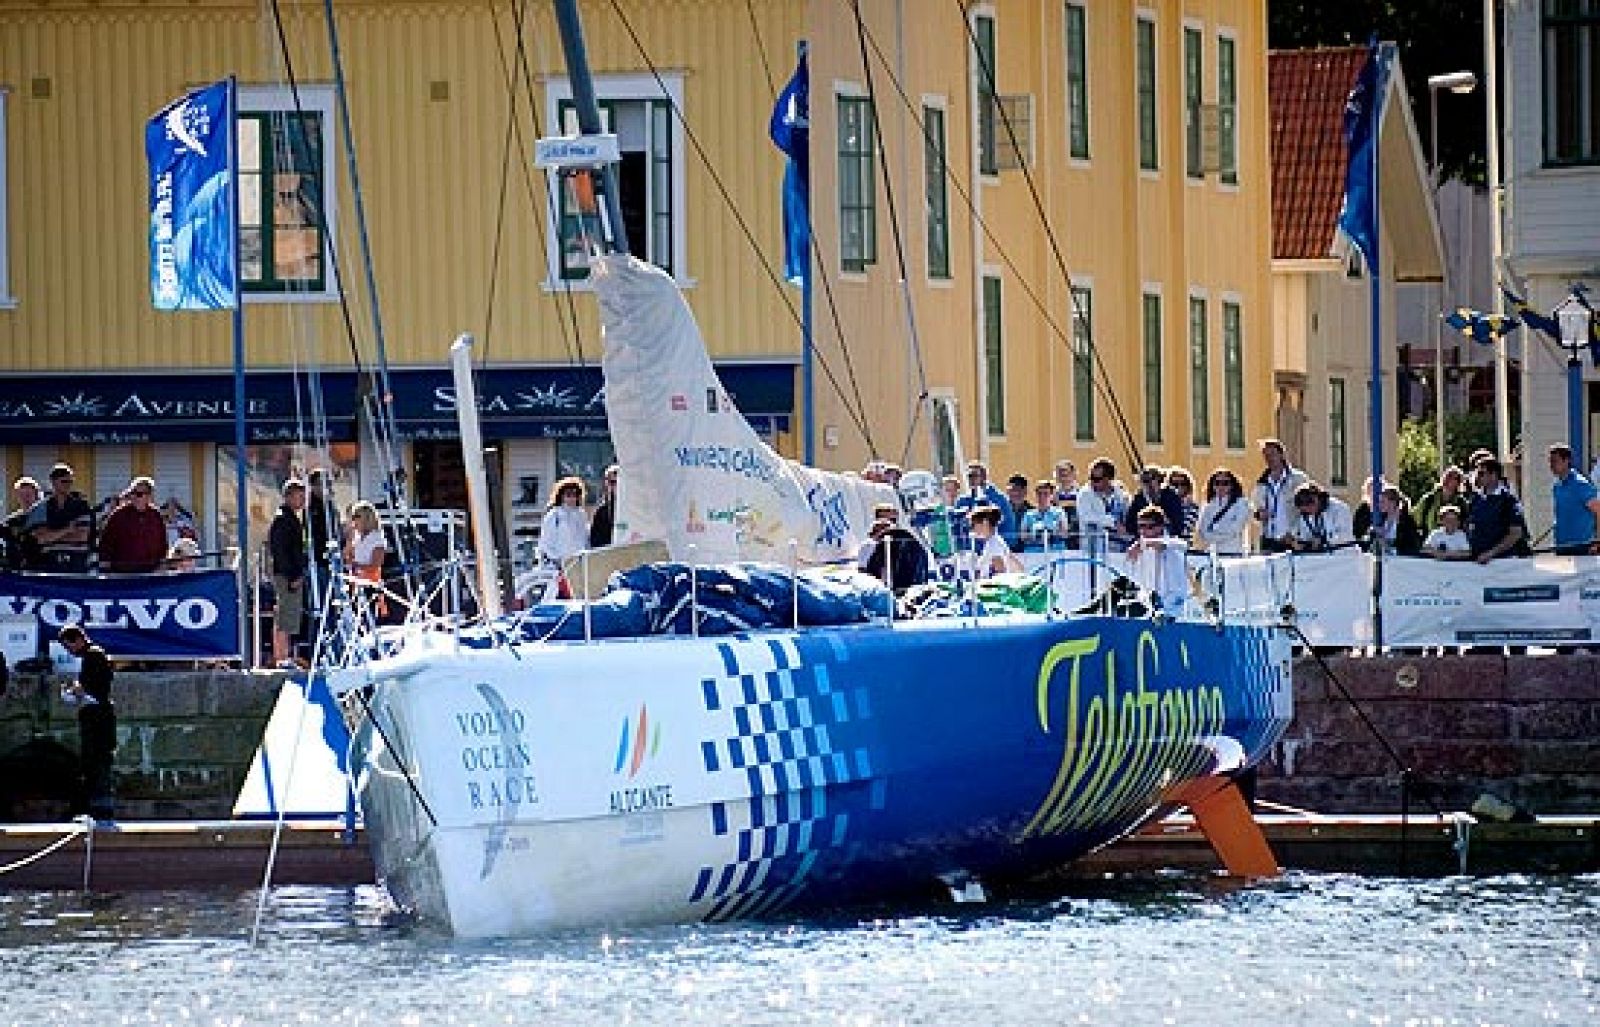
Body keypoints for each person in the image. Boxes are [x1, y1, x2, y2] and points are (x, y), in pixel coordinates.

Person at [57, 625, 116, 819]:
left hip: (98, 718)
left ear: (78, 640)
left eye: (69, 646)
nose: (69, 651)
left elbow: (95, 690)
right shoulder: (95, 656)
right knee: (96, 762)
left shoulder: (93, 656)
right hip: (98, 716)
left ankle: (98, 807)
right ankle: (95, 806)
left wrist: (76, 691)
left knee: (97, 762)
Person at [268, 478, 309, 668]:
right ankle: (281, 657)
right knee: (285, 616)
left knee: (286, 616)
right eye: (300, 496)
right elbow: (280, 551)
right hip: (287, 576)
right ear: (289, 496)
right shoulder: (283, 519)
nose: (303, 501)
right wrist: (292, 576)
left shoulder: (289, 517)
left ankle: (284, 656)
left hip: (289, 574)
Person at [31, 463, 95, 572]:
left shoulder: (82, 505)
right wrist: (68, 530)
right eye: (64, 481)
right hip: (51, 562)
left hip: (77, 561)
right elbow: (41, 539)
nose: (68, 485)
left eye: (70, 482)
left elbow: (82, 536)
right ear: (53, 482)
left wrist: (53, 536)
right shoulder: (41, 507)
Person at [97, 476, 168, 573]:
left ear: (149, 496)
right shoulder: (118, 515)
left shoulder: (156, 515)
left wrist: (162, 563)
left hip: (151, 570)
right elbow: (106, 542)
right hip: (123, 571)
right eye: (132, 493)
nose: (134, 497)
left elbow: (162, 542)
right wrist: (104, 565)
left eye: (139, 494)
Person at [1249, 439, 1310, 553]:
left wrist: (1294, 533)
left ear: (1282, 455)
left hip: (1291, 538)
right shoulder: (1262, 482)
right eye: (1266, 455)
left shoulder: (1298, 479)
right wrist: (1259, 513)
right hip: (1268, 538)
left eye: (1272, 454)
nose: (1269, 459)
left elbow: (1306, 509)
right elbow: (1254, 507)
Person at [1126, 508, 1190, 614]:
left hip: (1171, 610)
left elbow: (1179, 544)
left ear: (1160, 527)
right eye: (1141, 526)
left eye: (1149, 526)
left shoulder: (1174, 544)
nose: (1144, 531)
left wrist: (1141, 544)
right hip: (1148, 608)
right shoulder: (1141, 548)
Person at [1467, 458, 1528, 563]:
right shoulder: (1475, 498)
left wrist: (1491, 553)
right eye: (1477, 473)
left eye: (1481, 473)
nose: (1477, 477)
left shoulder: (1508, 500)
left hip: (1504, 561)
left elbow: (1516, 533)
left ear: (1493, 475)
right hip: (1478, 561)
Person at [861, 505, 929, 592]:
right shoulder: (869, 545)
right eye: (890, 519)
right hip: (882, 591)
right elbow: (865, 573)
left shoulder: (905, 542)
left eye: (894, 520)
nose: (893, 524)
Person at [1548, 444, 1600, 556]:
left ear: (1566, 461)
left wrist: (1597, 542)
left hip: (1582, 548)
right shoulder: (1557, 486)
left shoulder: (1580, 484)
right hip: (1561, 547)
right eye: (1550, 461)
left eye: (1554, 461)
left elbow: (1598, 511)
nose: (1551, 465)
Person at [345, 500, 390, 621]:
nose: (354, 520)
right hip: (356, 583)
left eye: (356, 517)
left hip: (371, 585)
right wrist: (349, 541)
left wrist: (357, 566)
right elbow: (347, 558)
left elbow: (376, 565)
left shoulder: (376, 538)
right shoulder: (357, 537)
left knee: (369, 619)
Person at [1192, 468, 1253, 555]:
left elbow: (1235, 529)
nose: (1221, 486)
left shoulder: (1242, 504)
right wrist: (1222, 530)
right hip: (1212, 554)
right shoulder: (1207, 506)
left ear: (1232, 485)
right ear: (1212, 486)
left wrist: (1214, 531)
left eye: (1225, 483)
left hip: (1234, 553)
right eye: (1217, 483)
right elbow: (1203, 532)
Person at [1076, 458, 1131, 553]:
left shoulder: (1121, 493)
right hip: (1095, 549)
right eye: (1091, 478)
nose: (1092, 482)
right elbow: (1087, 517)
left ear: (1109, 479)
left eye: (1096, 479)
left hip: (1121, 547)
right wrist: (1113, 522)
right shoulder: (1085, 494)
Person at [954, 461, 1015, 543]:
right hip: (968, 550)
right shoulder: (962, 501)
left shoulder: (999, 499)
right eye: (969, 476)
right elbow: (957, 527)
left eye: (974, 476)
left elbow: (1008, 527)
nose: (971, 479)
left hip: (992, 547)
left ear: (984, 477)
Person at [1286, 483, 1355, 553]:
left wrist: (1323, 540)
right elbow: (1305, 534)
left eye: (1311, 504)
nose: (1309, 510)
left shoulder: (1340, 509)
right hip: (1319, 557)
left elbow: (1345, 535)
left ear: (1320, 498)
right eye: (1304, 508)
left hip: (1343, 555)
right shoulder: (1305, 514)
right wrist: (1300, 543)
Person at [539, 475, 590, 567]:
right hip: (557, 565)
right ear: (561, 496)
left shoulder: (581, 514)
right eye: (568, 495)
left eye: (575, 495)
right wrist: (558, 561)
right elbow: (545, 543)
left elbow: (585, 540)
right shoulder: (554, 515)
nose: (572, 498)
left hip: (578, 564)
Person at [1123, 465, 1185, 540]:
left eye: (1151, 480)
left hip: (1167, 540)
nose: (1148, 484)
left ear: (1160, 480)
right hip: (1143, 540)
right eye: (1144, 481)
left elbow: (1178, 525)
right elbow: (1129, 524)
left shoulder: (1171, 497)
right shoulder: (1139, 498)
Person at [963, 504, 1021, 578]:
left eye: (973, 525)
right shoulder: (995, 541)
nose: (972, 529)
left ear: (985, 523)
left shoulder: (994, 544)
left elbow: (1000, 573)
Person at [2, 475, 43, 570]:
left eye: (28, 495)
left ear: (36, 496)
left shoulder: (45, 518)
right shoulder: (11, 521)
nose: (25, 499)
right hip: (16, 570)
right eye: (21, 495)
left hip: (40, 568)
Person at [1369, 485, 1423, 557]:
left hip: (1400, 561)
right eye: (1380, 502)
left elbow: (1411, 544)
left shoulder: (1406, 521)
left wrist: (1389, 544)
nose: (1380, 505)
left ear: (1393, 503)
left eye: (1383, 502)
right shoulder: (1381, 520)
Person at [1413, 466, 1470, 533]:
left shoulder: (1462, 503)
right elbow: (1415, 517)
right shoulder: (1429, 499)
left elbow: (1465, 523)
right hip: (1430, 538)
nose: (1451, 480)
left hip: (1453, 539)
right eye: (1449, 476)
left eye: (1456, 478)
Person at [1019, 480, 1070, 551]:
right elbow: (1022, 536)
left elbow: (1065, 534)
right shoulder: (1028, 514)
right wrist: (1036, 536)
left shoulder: (1059, 513)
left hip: (1055, 550)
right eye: (1039, 494)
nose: (1042, 497)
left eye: (1046, 494)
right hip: (1034, 551)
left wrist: (1051, 535)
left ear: (1052, 496)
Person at [1165, 466, 1200, 540]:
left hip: (1182, 546)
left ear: (1188, 486)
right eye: (1174, 484)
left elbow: (1185, 530)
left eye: (1183, 484)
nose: (1179, 487)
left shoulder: (1193, 507)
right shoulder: (1163, 504)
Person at [589, 464, 619, 548]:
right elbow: (595, 541)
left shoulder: (633, 507)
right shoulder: (602, 511)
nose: (614, 486)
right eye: (611, 482)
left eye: (616, 482)